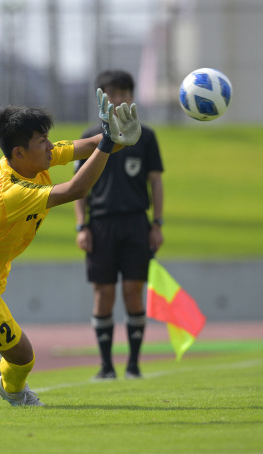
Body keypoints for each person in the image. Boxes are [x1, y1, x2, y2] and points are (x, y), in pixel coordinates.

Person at [0, 89, 141, 406]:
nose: (50, 146)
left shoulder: (31, 161)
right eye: (41, 141)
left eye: (48, 138)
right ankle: (13, 390)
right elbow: (78, 188)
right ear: (18, 152)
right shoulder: (13, 191)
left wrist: (111, 137)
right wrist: (106, 144)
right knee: (23, 356)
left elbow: (81, 148)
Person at [74, 70, 164, 380]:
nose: (119, 98)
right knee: (103, 294)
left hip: (136, 223)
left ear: (132, 95)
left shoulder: (146, 136)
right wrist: (81, 226)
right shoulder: (91, 135)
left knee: (133, 291)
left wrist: (157, 223)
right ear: (103, 97)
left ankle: (134, 365)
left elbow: (156, 182)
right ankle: (106, 366)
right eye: (113, 93)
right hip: (100, 225)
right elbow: (78, 187)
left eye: (125, 92)